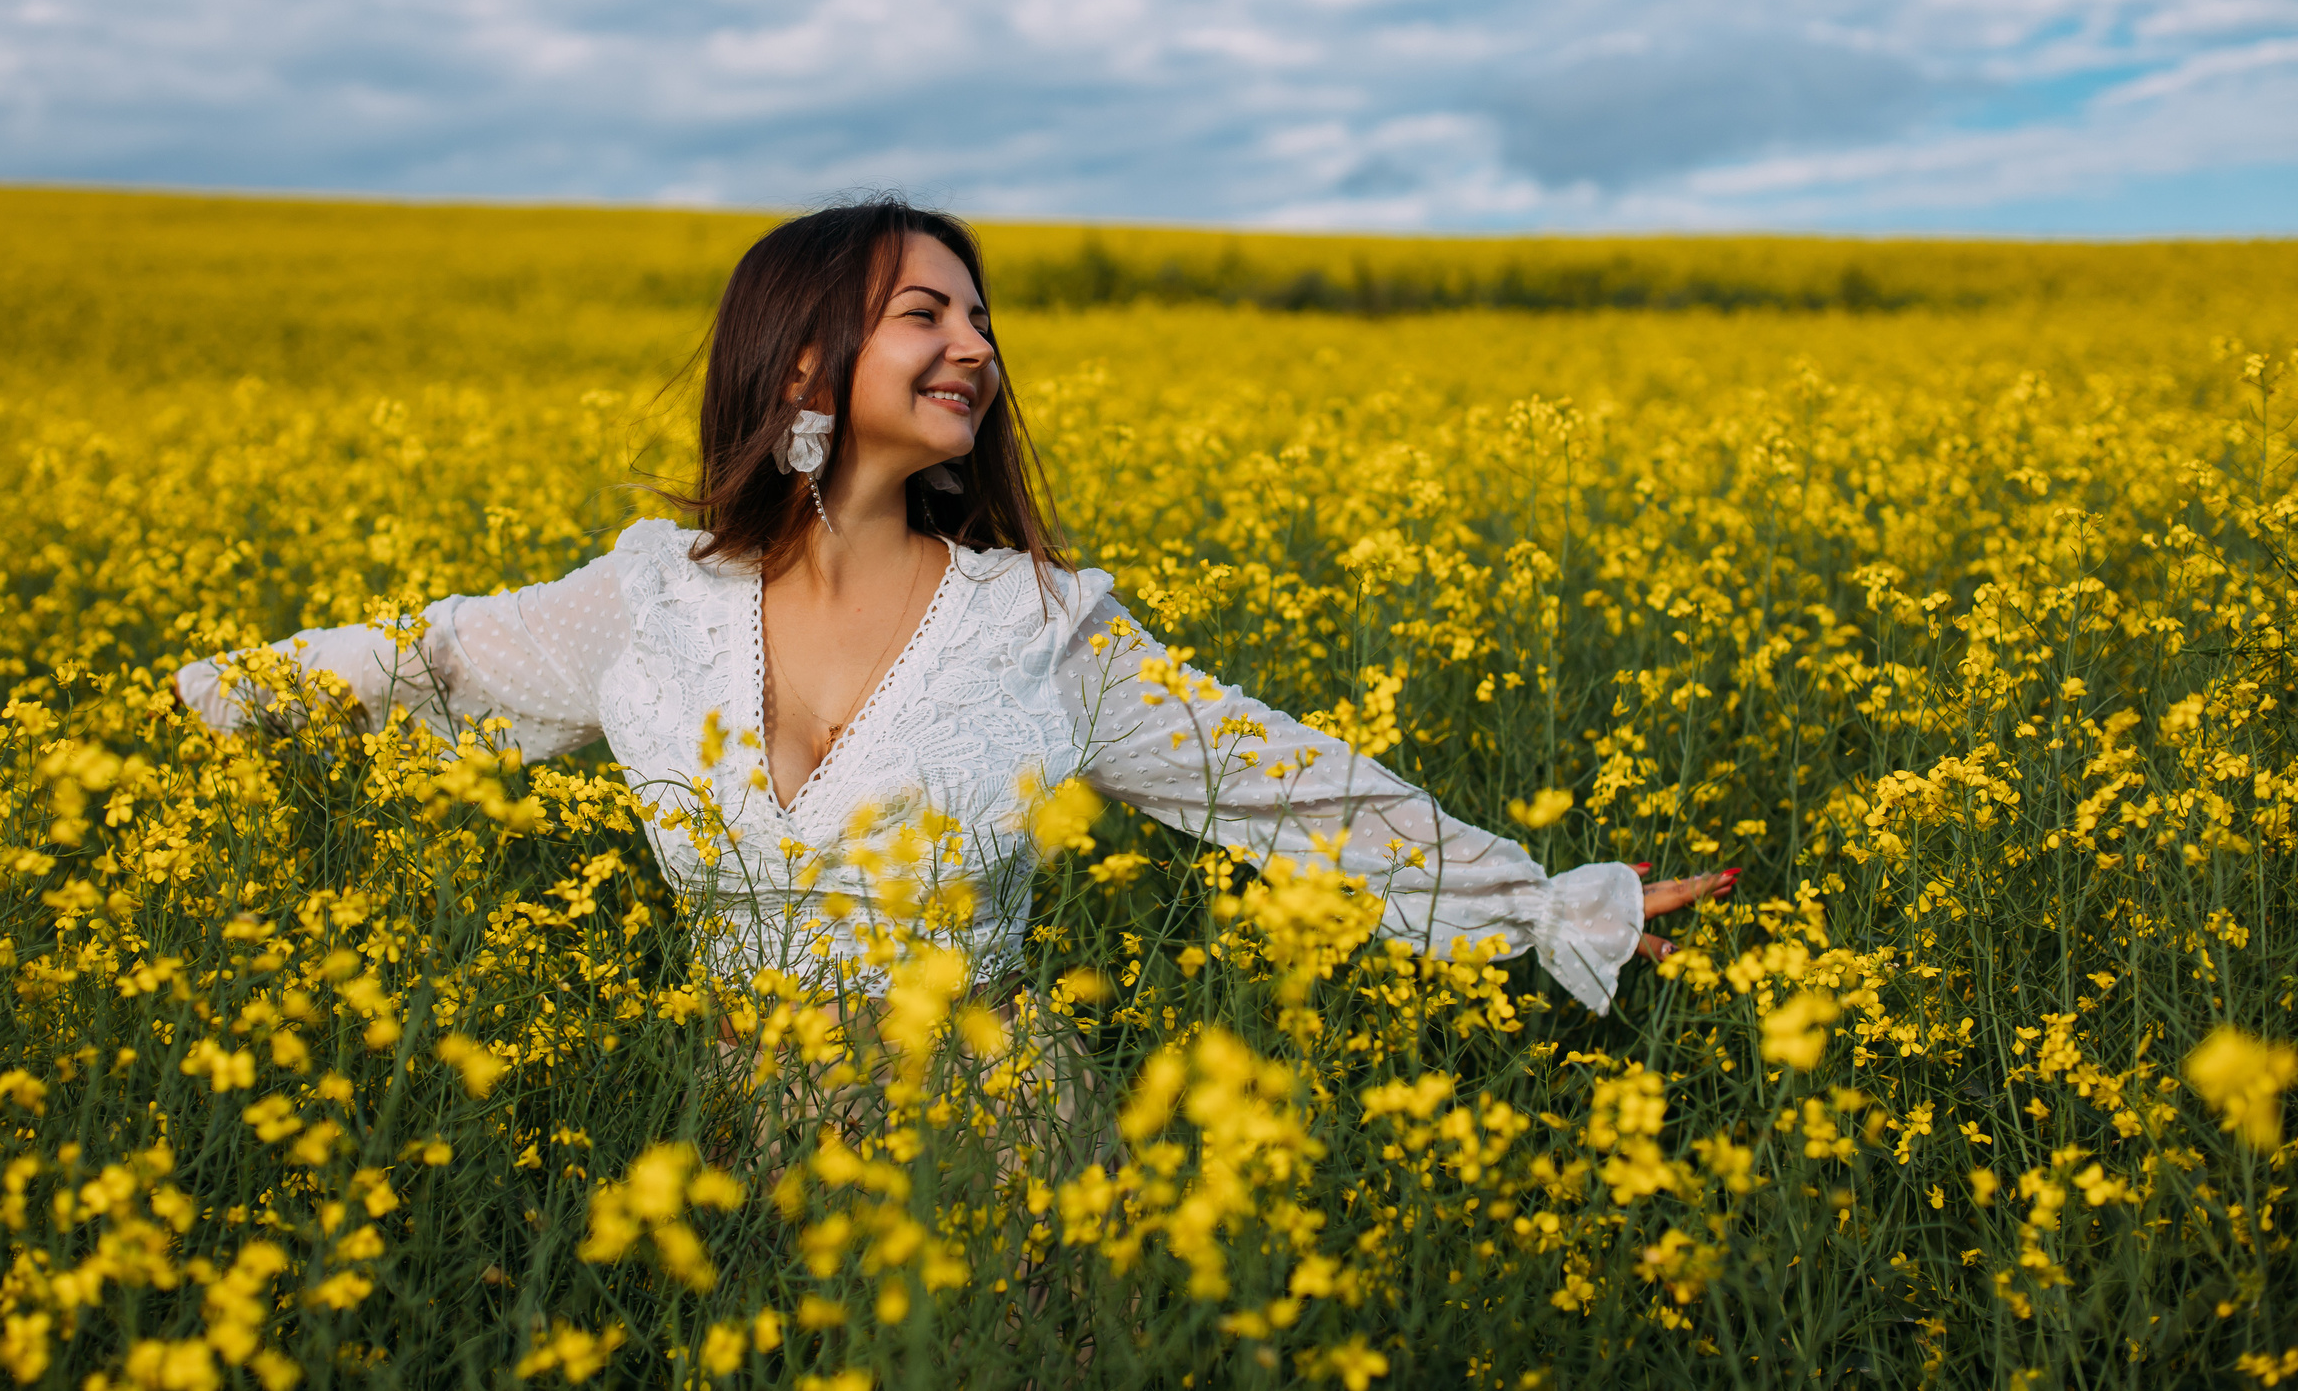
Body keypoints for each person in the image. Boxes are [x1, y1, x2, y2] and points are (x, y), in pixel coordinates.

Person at [173, 198, 1736, 1018]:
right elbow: (422, 661)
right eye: (926, 312)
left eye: (980, 318)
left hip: (995, 1170)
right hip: (704, 1173)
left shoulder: (1041, 624)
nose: (974, 346)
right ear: (801, 366)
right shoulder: (650, 599)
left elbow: (1285, 790)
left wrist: (1553, 906)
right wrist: (183, 714)